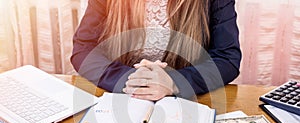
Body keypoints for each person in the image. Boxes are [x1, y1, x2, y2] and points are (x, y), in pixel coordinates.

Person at [71, 0, 242, 101]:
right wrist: (128, 79)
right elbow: (84, 48)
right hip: (122, 99)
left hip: (187, 102)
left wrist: (173, 82)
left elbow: (227, 58)